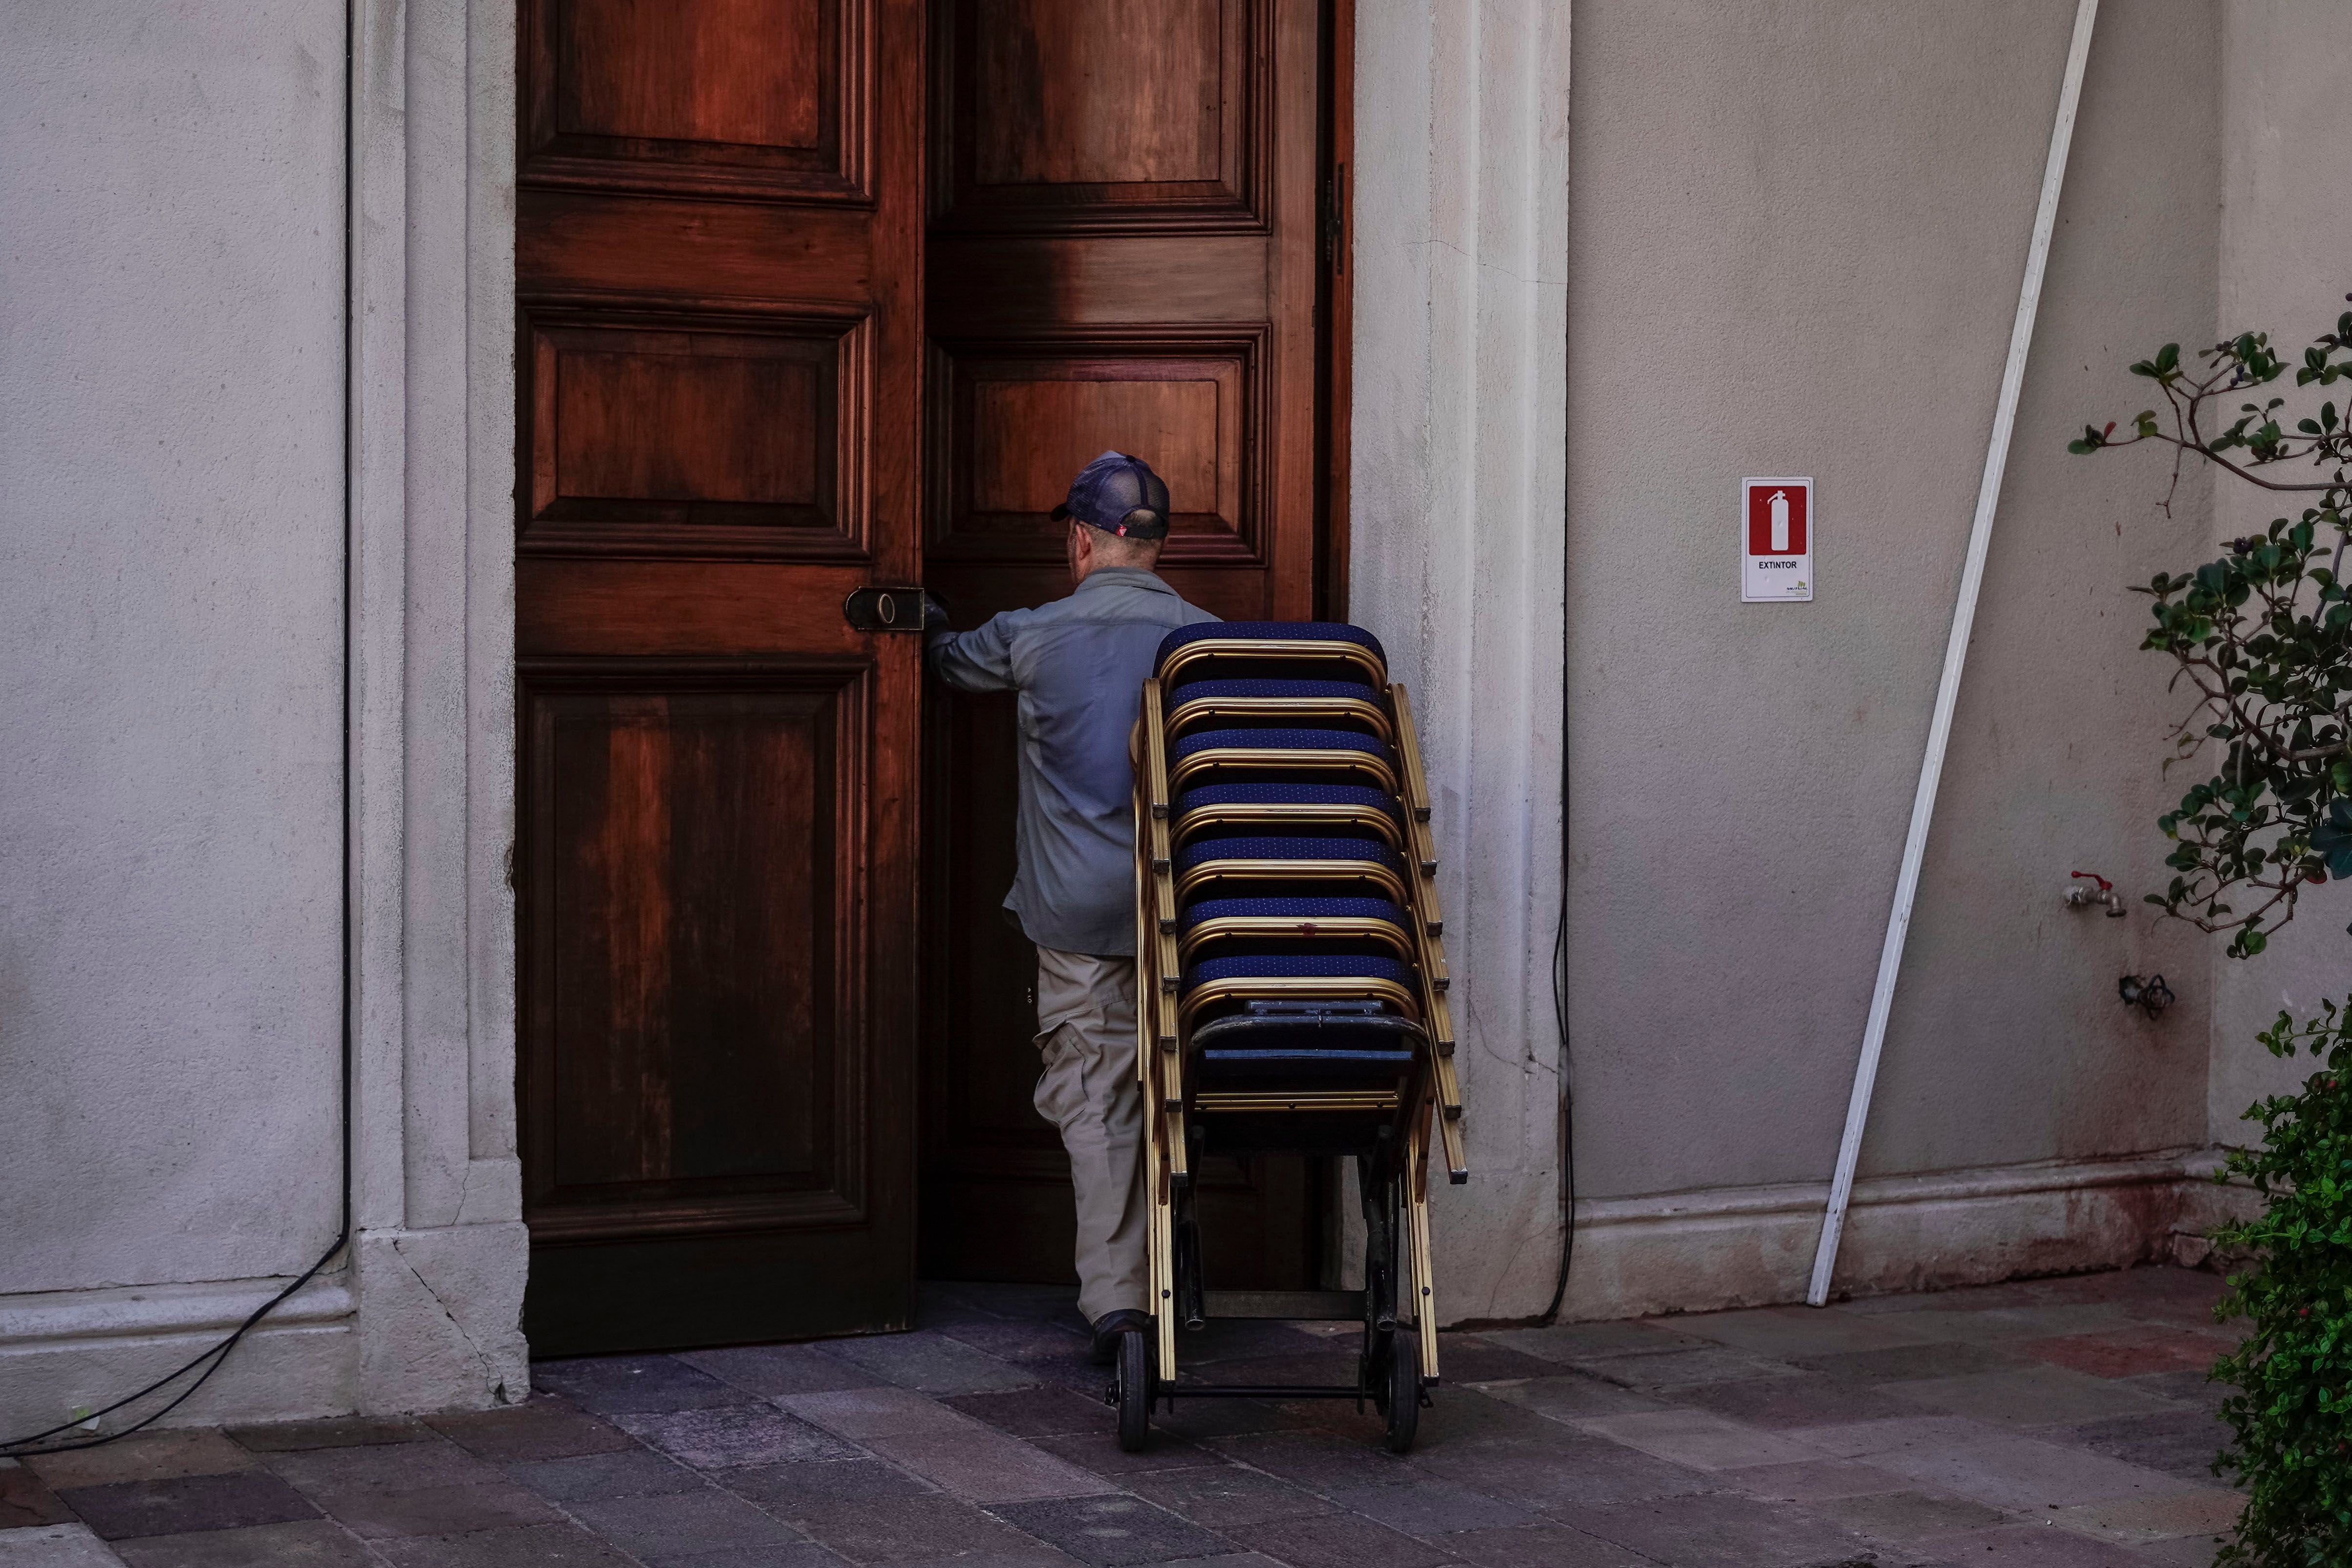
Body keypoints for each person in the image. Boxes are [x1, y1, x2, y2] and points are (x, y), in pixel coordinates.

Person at [925, 451, 1216, 1364]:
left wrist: (920, 614)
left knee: (1098, 1099)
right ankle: (1183, 1279)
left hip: (1079, 922)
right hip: (1191, 915)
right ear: (1158, 543)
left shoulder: (1030, 634)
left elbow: (941, 662)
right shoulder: (1212, 640)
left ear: (1080, 540)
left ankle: (1122, 1304)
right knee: (1187, 1088)